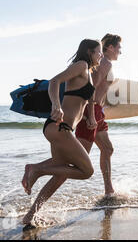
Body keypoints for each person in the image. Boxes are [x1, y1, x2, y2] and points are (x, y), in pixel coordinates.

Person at [20, 38, 103, 227]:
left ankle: (30, 215)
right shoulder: (81, 65)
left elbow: (88, 100)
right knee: (86, 171)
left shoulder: (89, 72)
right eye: (98, 52)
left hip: (63, 129)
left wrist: (91, 117)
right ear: (90, 52)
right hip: (59, 127)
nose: (101, 55)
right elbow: (55, 81)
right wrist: (56, 106)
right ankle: (36, 169)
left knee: (60, 173)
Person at [76, 33, 122, 197]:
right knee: (77, 162)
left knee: (107, 149)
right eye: (118, 48)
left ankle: (109, 190)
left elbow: (98, 87)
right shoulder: (105, 63)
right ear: (110, 47)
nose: (120, 51)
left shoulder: (105, 62)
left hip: (97, 110)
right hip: (92, 111)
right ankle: (36, 170)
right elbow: (91, 87)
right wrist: (89, 115)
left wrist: (104, 104)